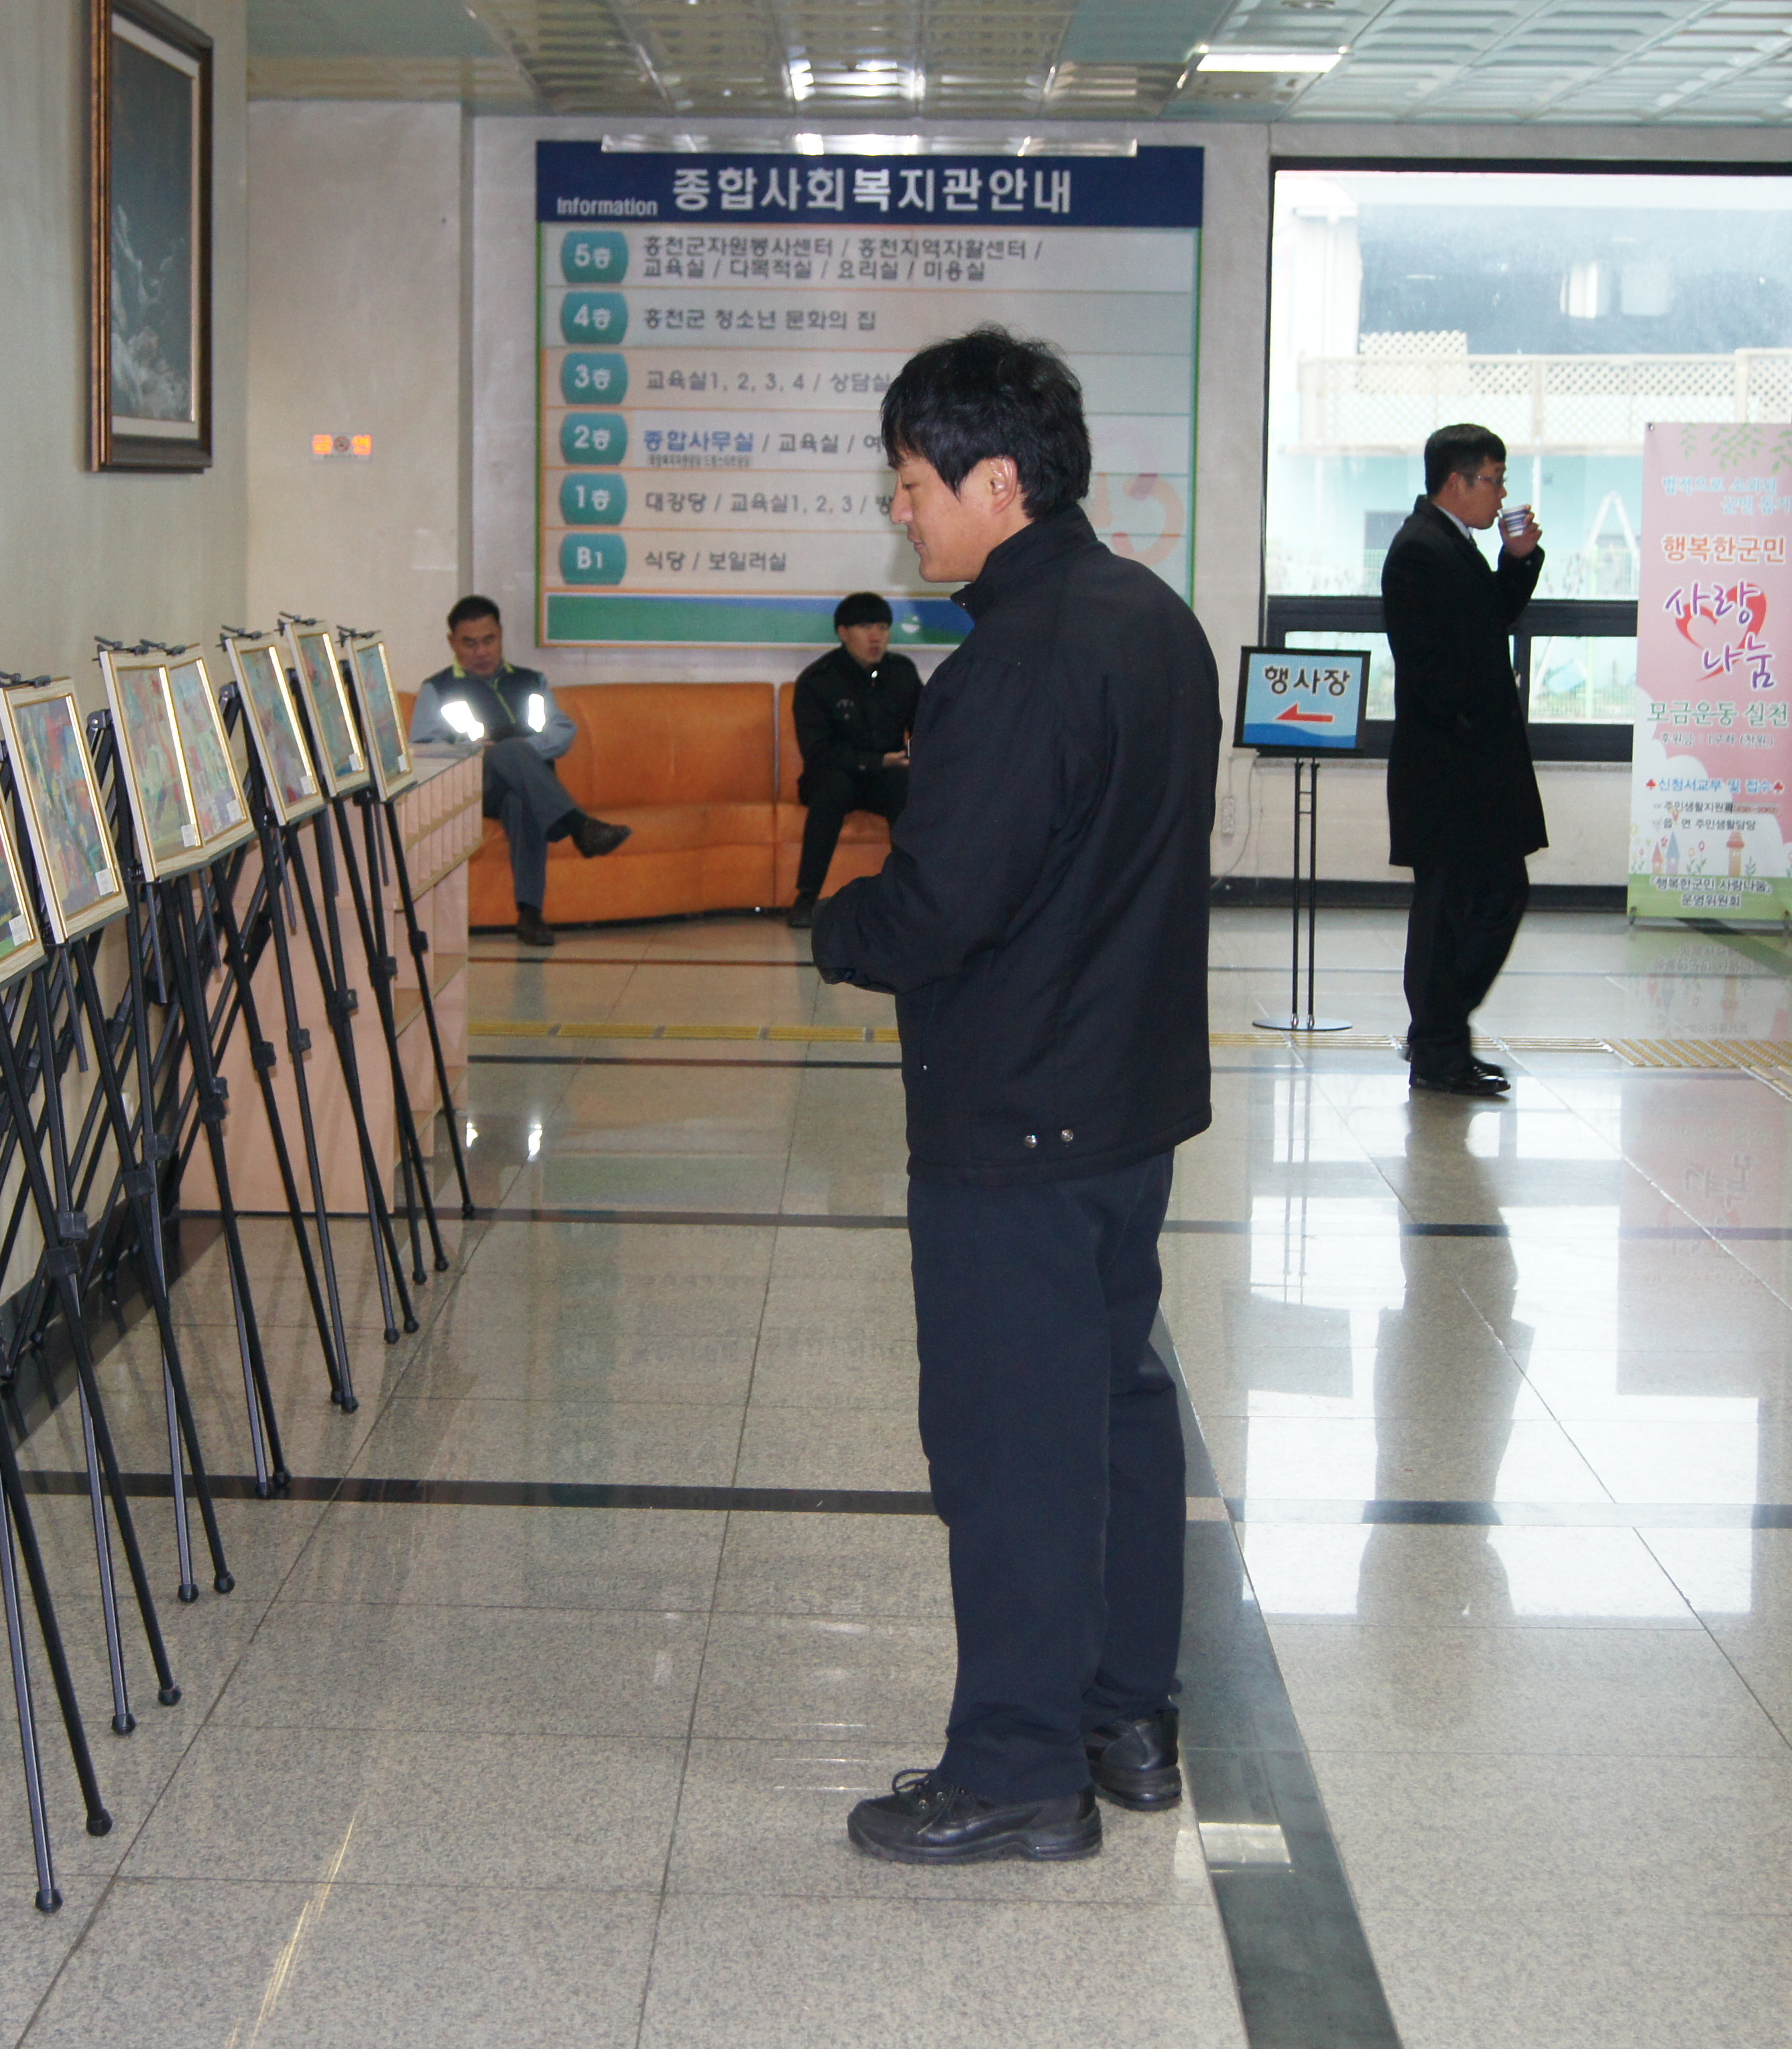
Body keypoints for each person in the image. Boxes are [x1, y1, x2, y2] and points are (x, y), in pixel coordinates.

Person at [811, 327, 1218, 1866]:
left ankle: (1016, 1767)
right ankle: (1126, 1719)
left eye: (912, 483)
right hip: (1123, 1104)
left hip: (1015, 1118)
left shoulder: (1013, 664)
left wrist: (835, 926)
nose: (900, 512)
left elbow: (940, 907)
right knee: (1114, 1408)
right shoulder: (1154, 621)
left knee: (1011, 1448)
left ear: (997, 482)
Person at [1384, 422, 1547, 1098]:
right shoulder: (1419, 550)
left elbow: (1487, 622)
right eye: (1494, 480)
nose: (1501, 494)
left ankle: (1439, 1036)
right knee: (1455, 909)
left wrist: (1518, 561)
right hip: (1450, 770)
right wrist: (1474, 726)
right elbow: (1430, 667)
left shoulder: (1452, 543)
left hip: (1474, 765)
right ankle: (1437, 1044)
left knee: (1489, 897)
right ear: (1457, 481)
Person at [410, 595, 629, 947]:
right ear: (452, 643)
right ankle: (578, 825)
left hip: (526, 785)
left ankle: (530, 915)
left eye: (489, 640)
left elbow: (563, 730)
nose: (481, 652)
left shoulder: (531, 681)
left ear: (500, 635)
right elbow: (422, 748)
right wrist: (474, 752)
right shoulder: (437, 689)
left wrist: (522, 751)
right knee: (507, 753)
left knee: (519, 798)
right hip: (474, 785)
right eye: (469, 643)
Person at [786, 592, 922, 929]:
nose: (876, 636)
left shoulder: (902, 672)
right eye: (865, 627)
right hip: (832, 774)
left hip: (887, 776)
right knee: (832, 788)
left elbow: (925, 727)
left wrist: (913, 755)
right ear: (843, 632)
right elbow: (818, 751)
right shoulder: (818, 680)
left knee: (906, 786)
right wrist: (877, 761)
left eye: (883, 627)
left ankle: (912, 896)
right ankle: (806, 897)